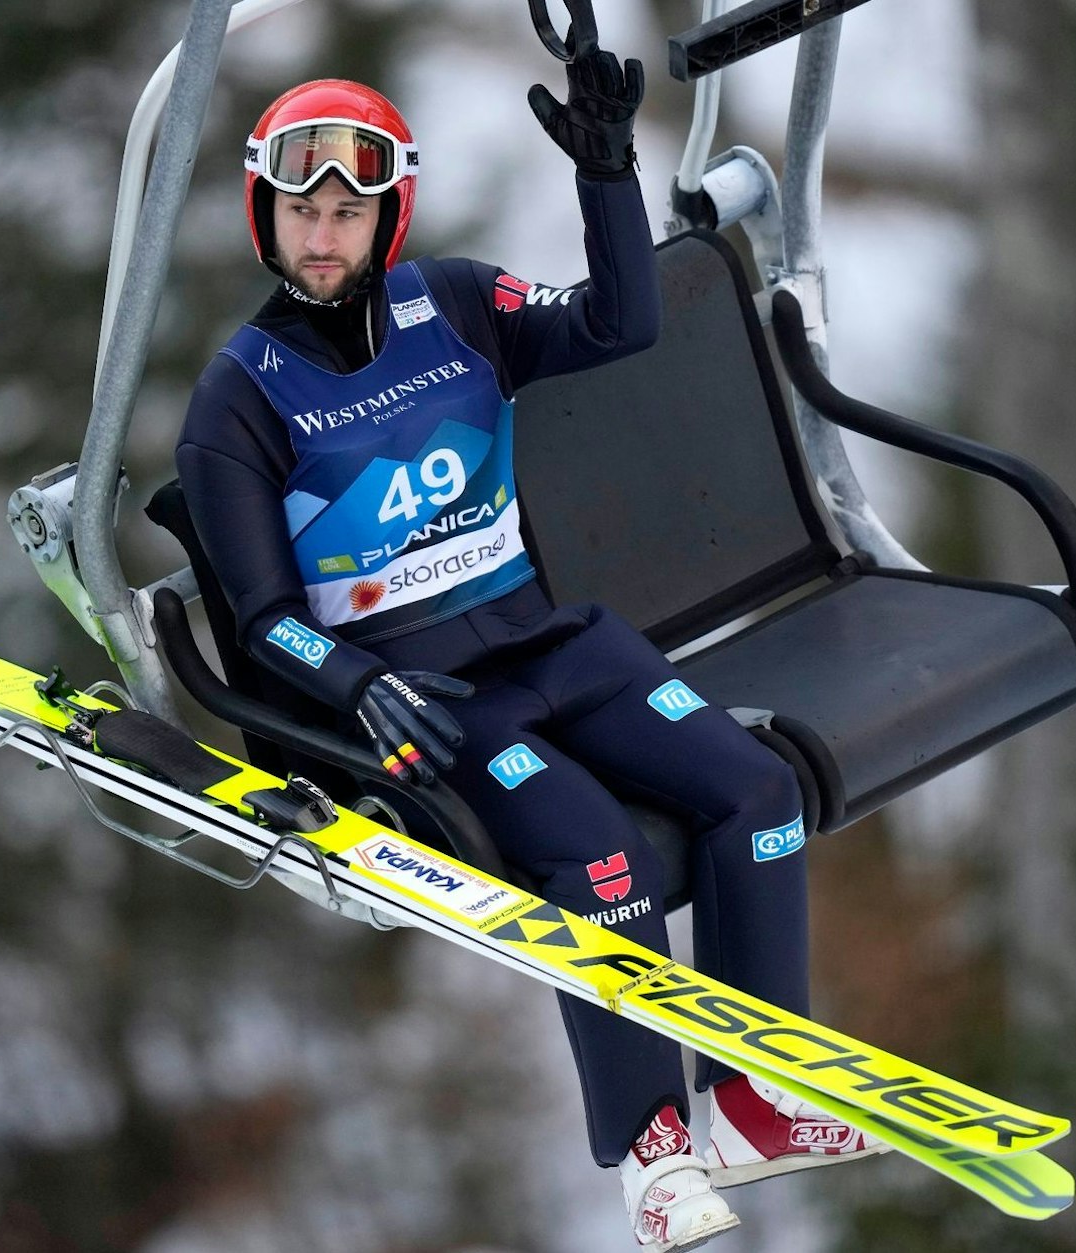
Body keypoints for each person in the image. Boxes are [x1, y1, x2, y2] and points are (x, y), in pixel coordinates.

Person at [174, 43, 886, 1253]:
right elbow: (260, 618)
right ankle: (652, 1155)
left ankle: (758, 1101)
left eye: (349, 209)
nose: (324, 234)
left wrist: (607, 175)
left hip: (555, 643)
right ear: (265, 213)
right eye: (302, 209)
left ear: (385, 214)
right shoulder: (238, 397)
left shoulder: (450, 301)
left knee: (758, 793)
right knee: (599, 861)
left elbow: (619, 324)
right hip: (446, 702)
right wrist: (361, 682)